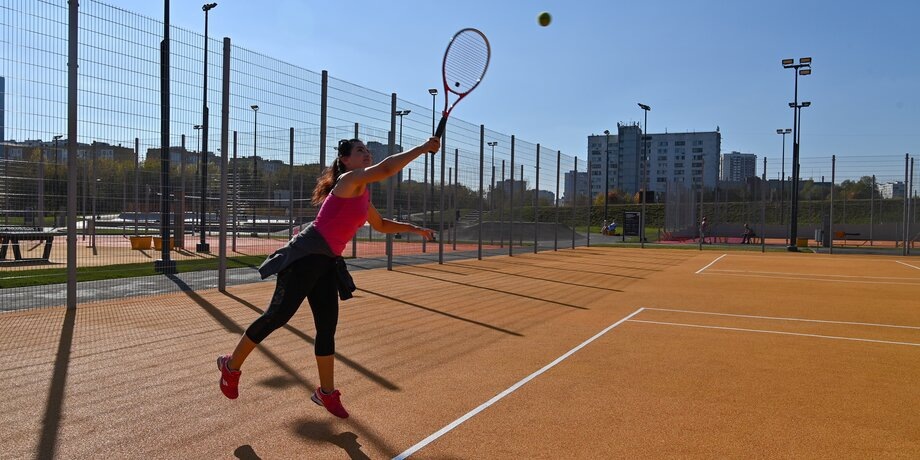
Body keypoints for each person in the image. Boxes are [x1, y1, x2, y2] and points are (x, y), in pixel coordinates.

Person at [217, 136, 440, 419]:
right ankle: (231, 366)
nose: (366, 153)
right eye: (360, 150)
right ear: (345, 160)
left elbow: (381, 224)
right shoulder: (348, 181)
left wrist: (414, 228)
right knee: (277, 316)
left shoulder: (362, 192)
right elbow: (386, 170)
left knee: (326, 328)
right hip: (304, 256)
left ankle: (326, 393)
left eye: (367, 150)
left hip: (326, 262)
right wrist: (422, 148)